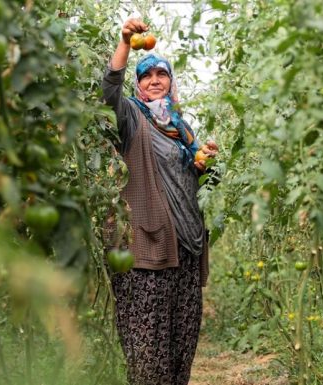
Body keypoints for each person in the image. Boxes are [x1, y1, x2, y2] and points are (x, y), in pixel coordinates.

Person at [100, 18, 219, 385]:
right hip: (146, 251)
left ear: (170, 81)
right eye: (147, 75)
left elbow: (198, 182)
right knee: (147, 352)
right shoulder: (132, 117)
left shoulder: (182, 129)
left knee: (179, 349)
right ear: (139, 84)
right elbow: (108, 93)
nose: (154, 80)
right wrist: (124, 42)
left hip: (185, 251)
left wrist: (207, 161)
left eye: (161, 75)